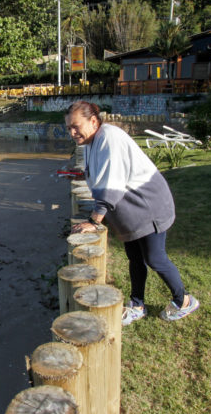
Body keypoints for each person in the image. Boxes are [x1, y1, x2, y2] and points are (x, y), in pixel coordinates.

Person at [65, 101, 199, 324]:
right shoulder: (91, 142)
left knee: (155, 258)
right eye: (68, 127)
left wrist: (94, 219)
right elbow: (98, 173)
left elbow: (113, 181)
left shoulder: (110, 137)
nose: (72, 132)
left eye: (76, 126)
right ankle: (137, 304)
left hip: (148, 207)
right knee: (135, 258)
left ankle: (184, 300)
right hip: (130, 214)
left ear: (94, 121)